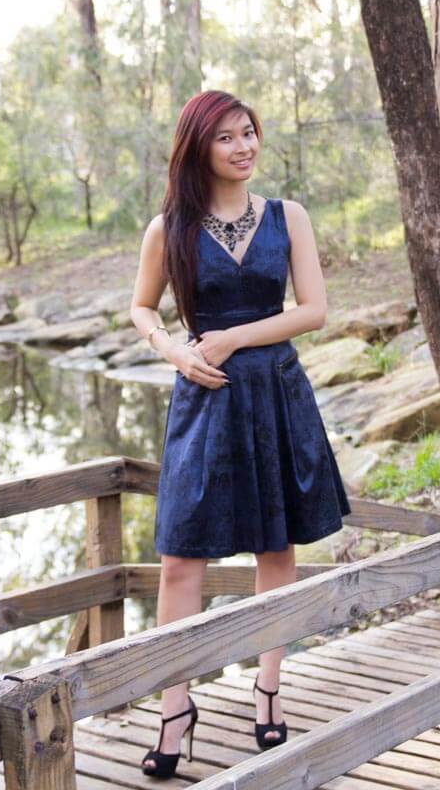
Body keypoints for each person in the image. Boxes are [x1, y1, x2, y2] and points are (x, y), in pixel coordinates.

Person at [129, 89, 352, 778]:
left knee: (273, 546)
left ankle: (269, 689)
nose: (243, 146)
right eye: (226, 137)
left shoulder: (290, 217)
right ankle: (175, 707)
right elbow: (141, 308)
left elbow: (313, 311)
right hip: (204, 397)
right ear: (200, 147)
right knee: (179, 558)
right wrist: (177, 352)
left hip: (274, 394)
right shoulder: (169, 228)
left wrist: (233, 338)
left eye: (249, 132)